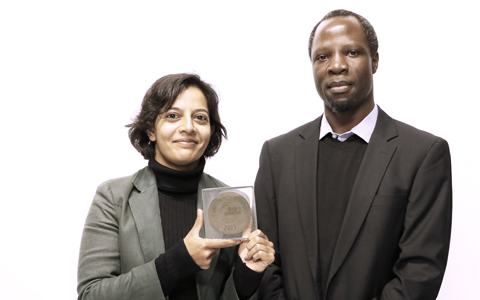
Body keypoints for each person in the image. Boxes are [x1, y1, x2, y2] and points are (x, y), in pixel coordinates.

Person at [254, 9, 452, 300]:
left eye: (351, 52)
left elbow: (420, 272)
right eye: (322, 57)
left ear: (374, 61)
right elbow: (264, 264)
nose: (336, 65)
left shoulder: (422, 155)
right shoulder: (278, 155)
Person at [77, 73, 275, 300]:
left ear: (210, 132)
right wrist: (180, 260)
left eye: (200, 117)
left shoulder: (229, 201)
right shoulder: (113, 197)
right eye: (173, 116)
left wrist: (247, 273)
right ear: (151, 130)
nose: (189, 127)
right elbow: (91, 295)